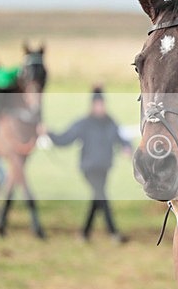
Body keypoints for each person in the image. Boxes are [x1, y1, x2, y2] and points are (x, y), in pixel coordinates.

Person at [41, 86, 131, 242]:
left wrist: (127, 147)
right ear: (92, 105)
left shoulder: (110, 122)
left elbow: (121, 139)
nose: (100, 107)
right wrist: (48, 133)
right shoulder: (84, 123)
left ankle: (84, 233)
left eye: (102, 104)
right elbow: (65, 139)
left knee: (97, 198)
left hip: (104, 168)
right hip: (89, 168)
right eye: (97, 104)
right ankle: (114, 233)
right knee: (102, 196)